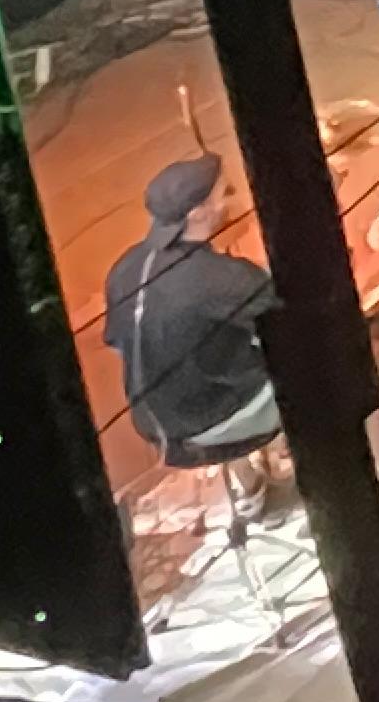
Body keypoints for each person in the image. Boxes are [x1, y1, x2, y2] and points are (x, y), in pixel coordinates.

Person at [103, 153, 281, 469]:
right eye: (225, 194)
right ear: (198, 214)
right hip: (207, 426)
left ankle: (248, 488)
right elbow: (297, 325)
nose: (232, 200)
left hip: (150, 422)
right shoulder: (223, 278)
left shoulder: (123, 268)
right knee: (321, 361)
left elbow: (119, 342)